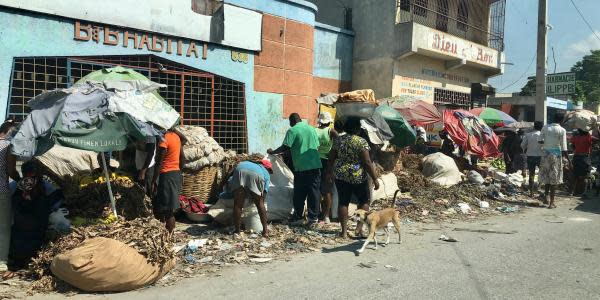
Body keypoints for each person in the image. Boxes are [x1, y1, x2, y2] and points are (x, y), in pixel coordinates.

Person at [5, 162, 61, 277]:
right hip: (22, 229)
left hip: (36, 229)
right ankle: (16, 265)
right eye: (28, 175)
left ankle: (24, 264)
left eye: (33, 176)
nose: (30, 180)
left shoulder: (45, 186)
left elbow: (56, 204)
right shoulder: (15, 186)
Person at [326, 117, 380, 239]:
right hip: (358, 176)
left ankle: (344, 232)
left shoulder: (338, 141)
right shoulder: (361, 142)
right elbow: (367, 162)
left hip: (341, 175)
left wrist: (329, 173)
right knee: (364, 201)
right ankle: (358, 229)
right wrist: (375, 178)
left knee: (343, 202)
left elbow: (331, 158)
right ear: (357, 129)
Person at [268, 113, 322, 226]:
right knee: (314, 192)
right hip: (315, 165)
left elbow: (286, 147)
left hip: (301, 167)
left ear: (292, 121)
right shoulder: (311, 129)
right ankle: (313, 218)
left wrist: (273, 152)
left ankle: (298, 216)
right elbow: (316, 145)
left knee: (299, 193)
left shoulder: (292, 130)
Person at [223, 158, 272, 237]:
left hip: (240, 171)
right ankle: (265, 231)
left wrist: (222, 185)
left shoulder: (243, 162)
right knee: (260, 204)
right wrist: (259, 201)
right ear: (267, 168)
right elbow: (264, 192)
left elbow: (229, 173)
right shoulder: (265, 172)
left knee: (238, 204)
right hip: (257, 175)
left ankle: (237, 231)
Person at [152, 129, 185, 234]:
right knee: (167, 207)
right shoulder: (176, 137)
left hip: (167, 174)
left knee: (168, 210)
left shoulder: (164, 139)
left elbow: (159, 162)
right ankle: (168, 233)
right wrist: (179, 170)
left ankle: (170, 236)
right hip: (175, 173)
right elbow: (182, 157)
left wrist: (153, 180)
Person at [0, 120, 20, 274]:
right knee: (4, 228)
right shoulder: (8, 146)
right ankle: (2, 263)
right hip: (2, 190)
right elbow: (11, 170)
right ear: (8, 132)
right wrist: (20, 179)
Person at [539, 115, 568, 208]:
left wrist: (547, 143)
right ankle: (552, 202)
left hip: (545, 154)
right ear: (561, 120)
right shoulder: (562, 130)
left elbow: (539, 140)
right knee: (554, 179)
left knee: (547, 177)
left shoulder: (545, 127)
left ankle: (545, 198)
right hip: (556, 155)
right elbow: (564, 147)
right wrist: (568, 160)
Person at [315, 112, 338, 224]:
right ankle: (326, 216)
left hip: (315, 161)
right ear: (329, 121)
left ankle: (319, 214)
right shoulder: (331, 131)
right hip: (328, 162)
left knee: (318, 190)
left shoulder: (314, 130)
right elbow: (340, 143)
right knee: (327, 190)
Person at [521, 121, 544, 197]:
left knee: (531, 174)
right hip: (540, 156)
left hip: (530, 156)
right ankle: (538, 188)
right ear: (541, 127)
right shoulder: (542, 135)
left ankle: (531, 193)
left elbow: (522, 145)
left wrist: (526, 149)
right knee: (542, 173)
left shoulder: (528, 135)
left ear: (534, 127)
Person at [570, 129, 594, 196]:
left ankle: (572, 192)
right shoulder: (588, 137)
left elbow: (572, 146)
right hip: (585, 157)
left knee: (575, 175)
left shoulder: (575, 137)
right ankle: (583, 193)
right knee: (585, 176)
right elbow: (594, 141)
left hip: (576, 157)